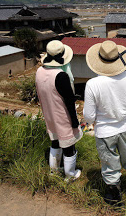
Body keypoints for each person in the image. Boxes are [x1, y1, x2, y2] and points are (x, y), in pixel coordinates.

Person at [83, 40, 126, 206]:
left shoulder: (92, 84)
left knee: (110, 164)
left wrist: (94, 120)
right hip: (124, 127)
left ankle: (116, 199)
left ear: (99, 60)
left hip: (104, 131)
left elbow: (88, 116)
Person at [35, 40, 82, 180]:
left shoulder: (39, 71)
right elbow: (69, 101)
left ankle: (54, 171)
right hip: (62, 115)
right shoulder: (61, 76)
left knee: (55, 141)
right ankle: (70, 175)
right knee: (69, 145)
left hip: (49, 113)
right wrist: (74, 121)